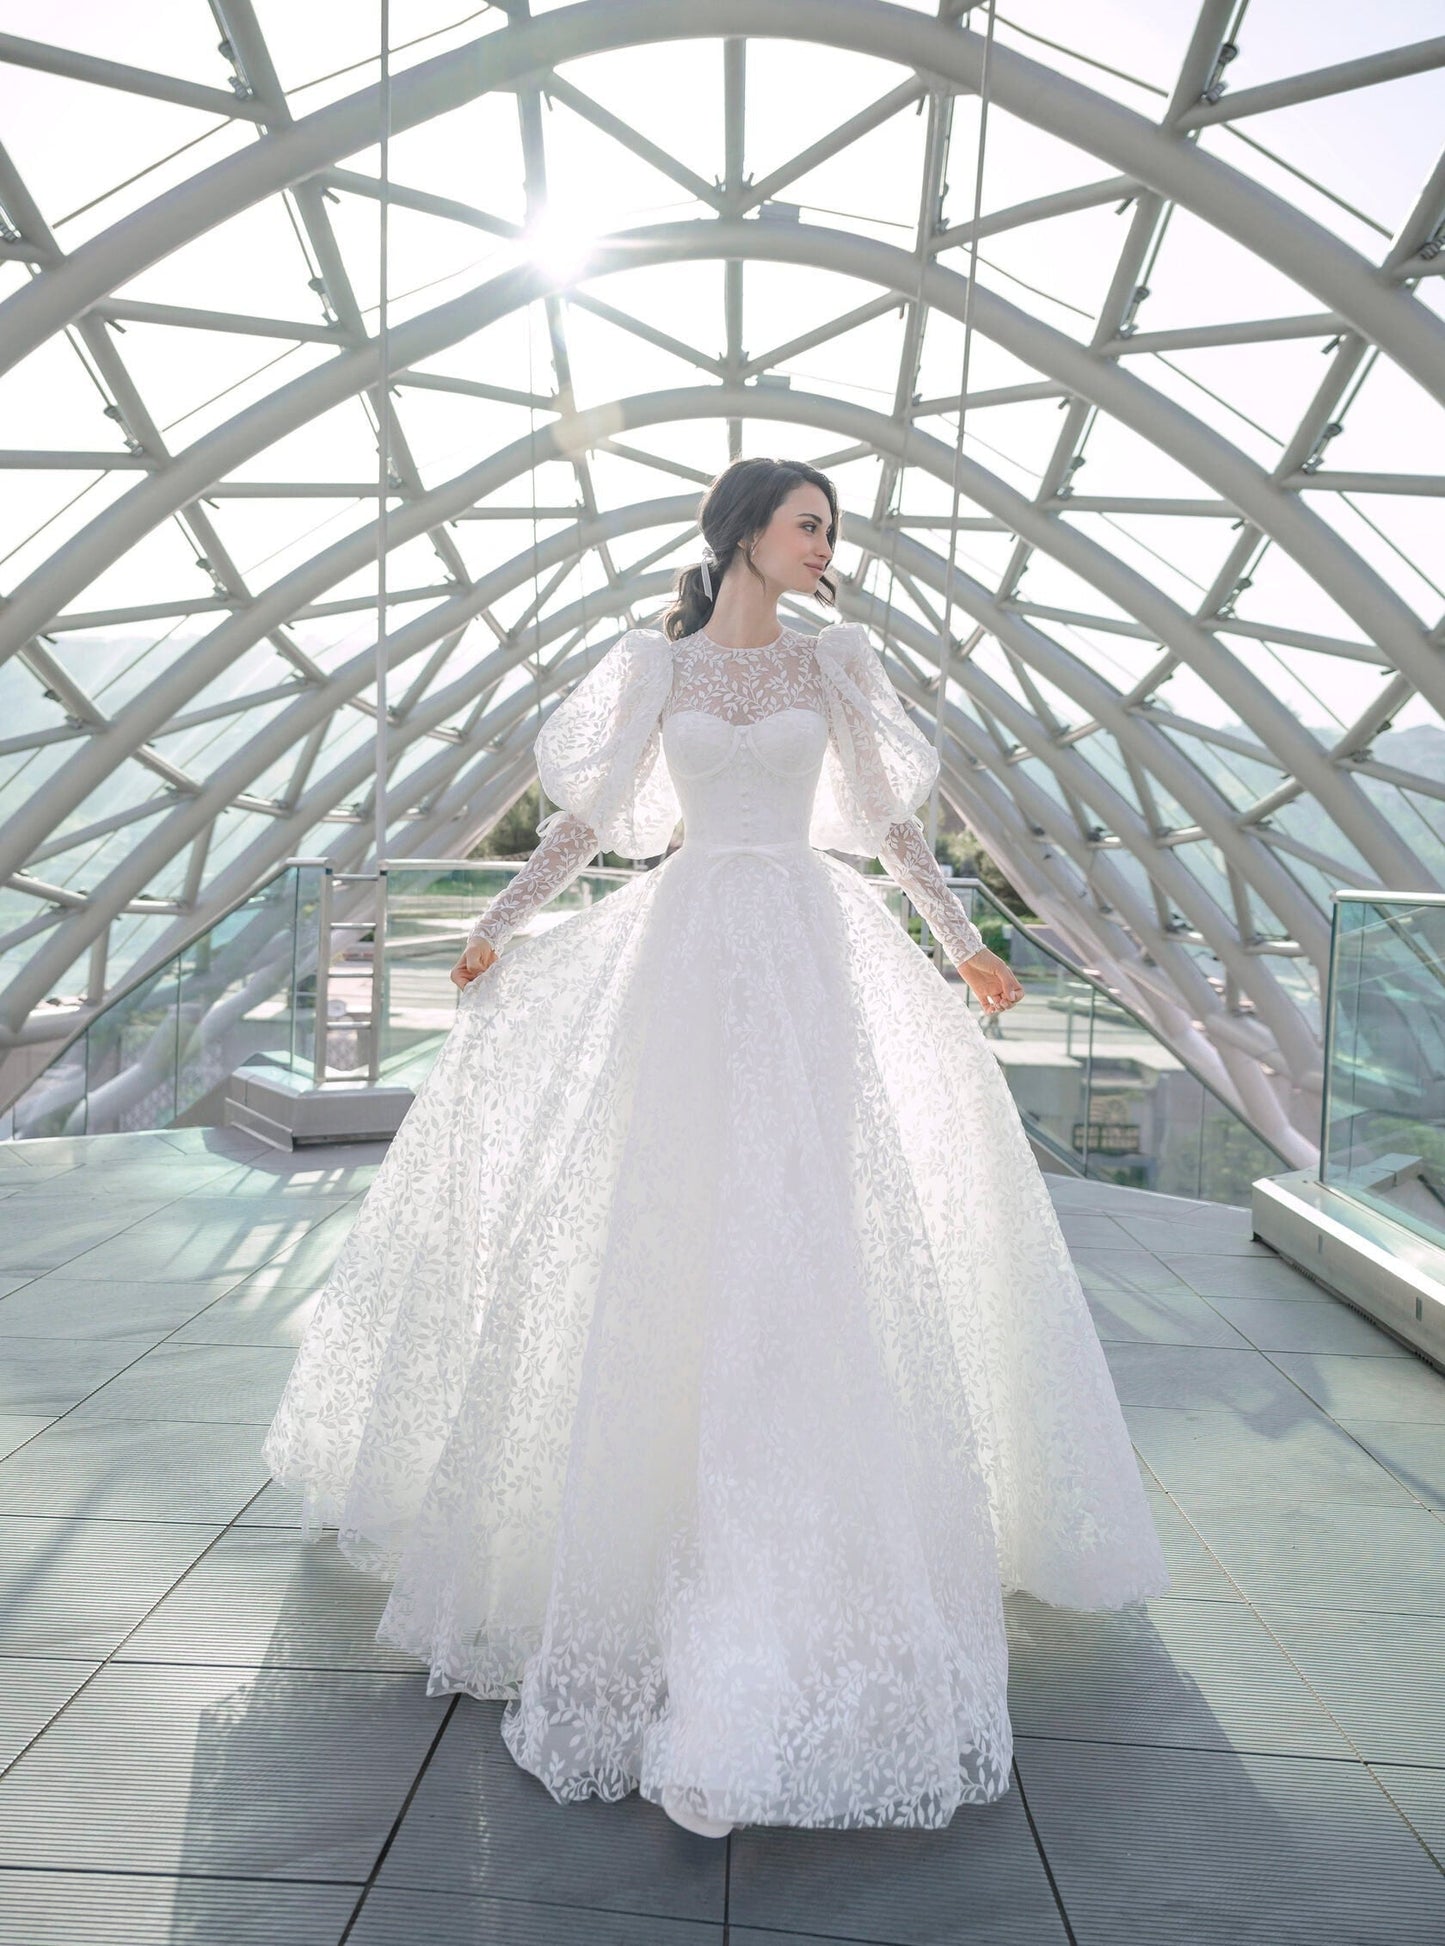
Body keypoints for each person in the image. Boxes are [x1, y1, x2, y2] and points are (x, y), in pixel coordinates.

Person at [262, 456, 1169, 1841]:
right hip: (684, 956)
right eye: (808, 525)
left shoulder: (835, 670)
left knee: (808, 1238)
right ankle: (653, 1546)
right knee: (664, 1234)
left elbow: (897, 829)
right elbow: (585, 822)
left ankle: (801, 1552)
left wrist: (969, 944)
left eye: (832, 530)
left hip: (808, 953)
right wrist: (501, 914)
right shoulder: (657, 669)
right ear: (742, 531)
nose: (827, 548)